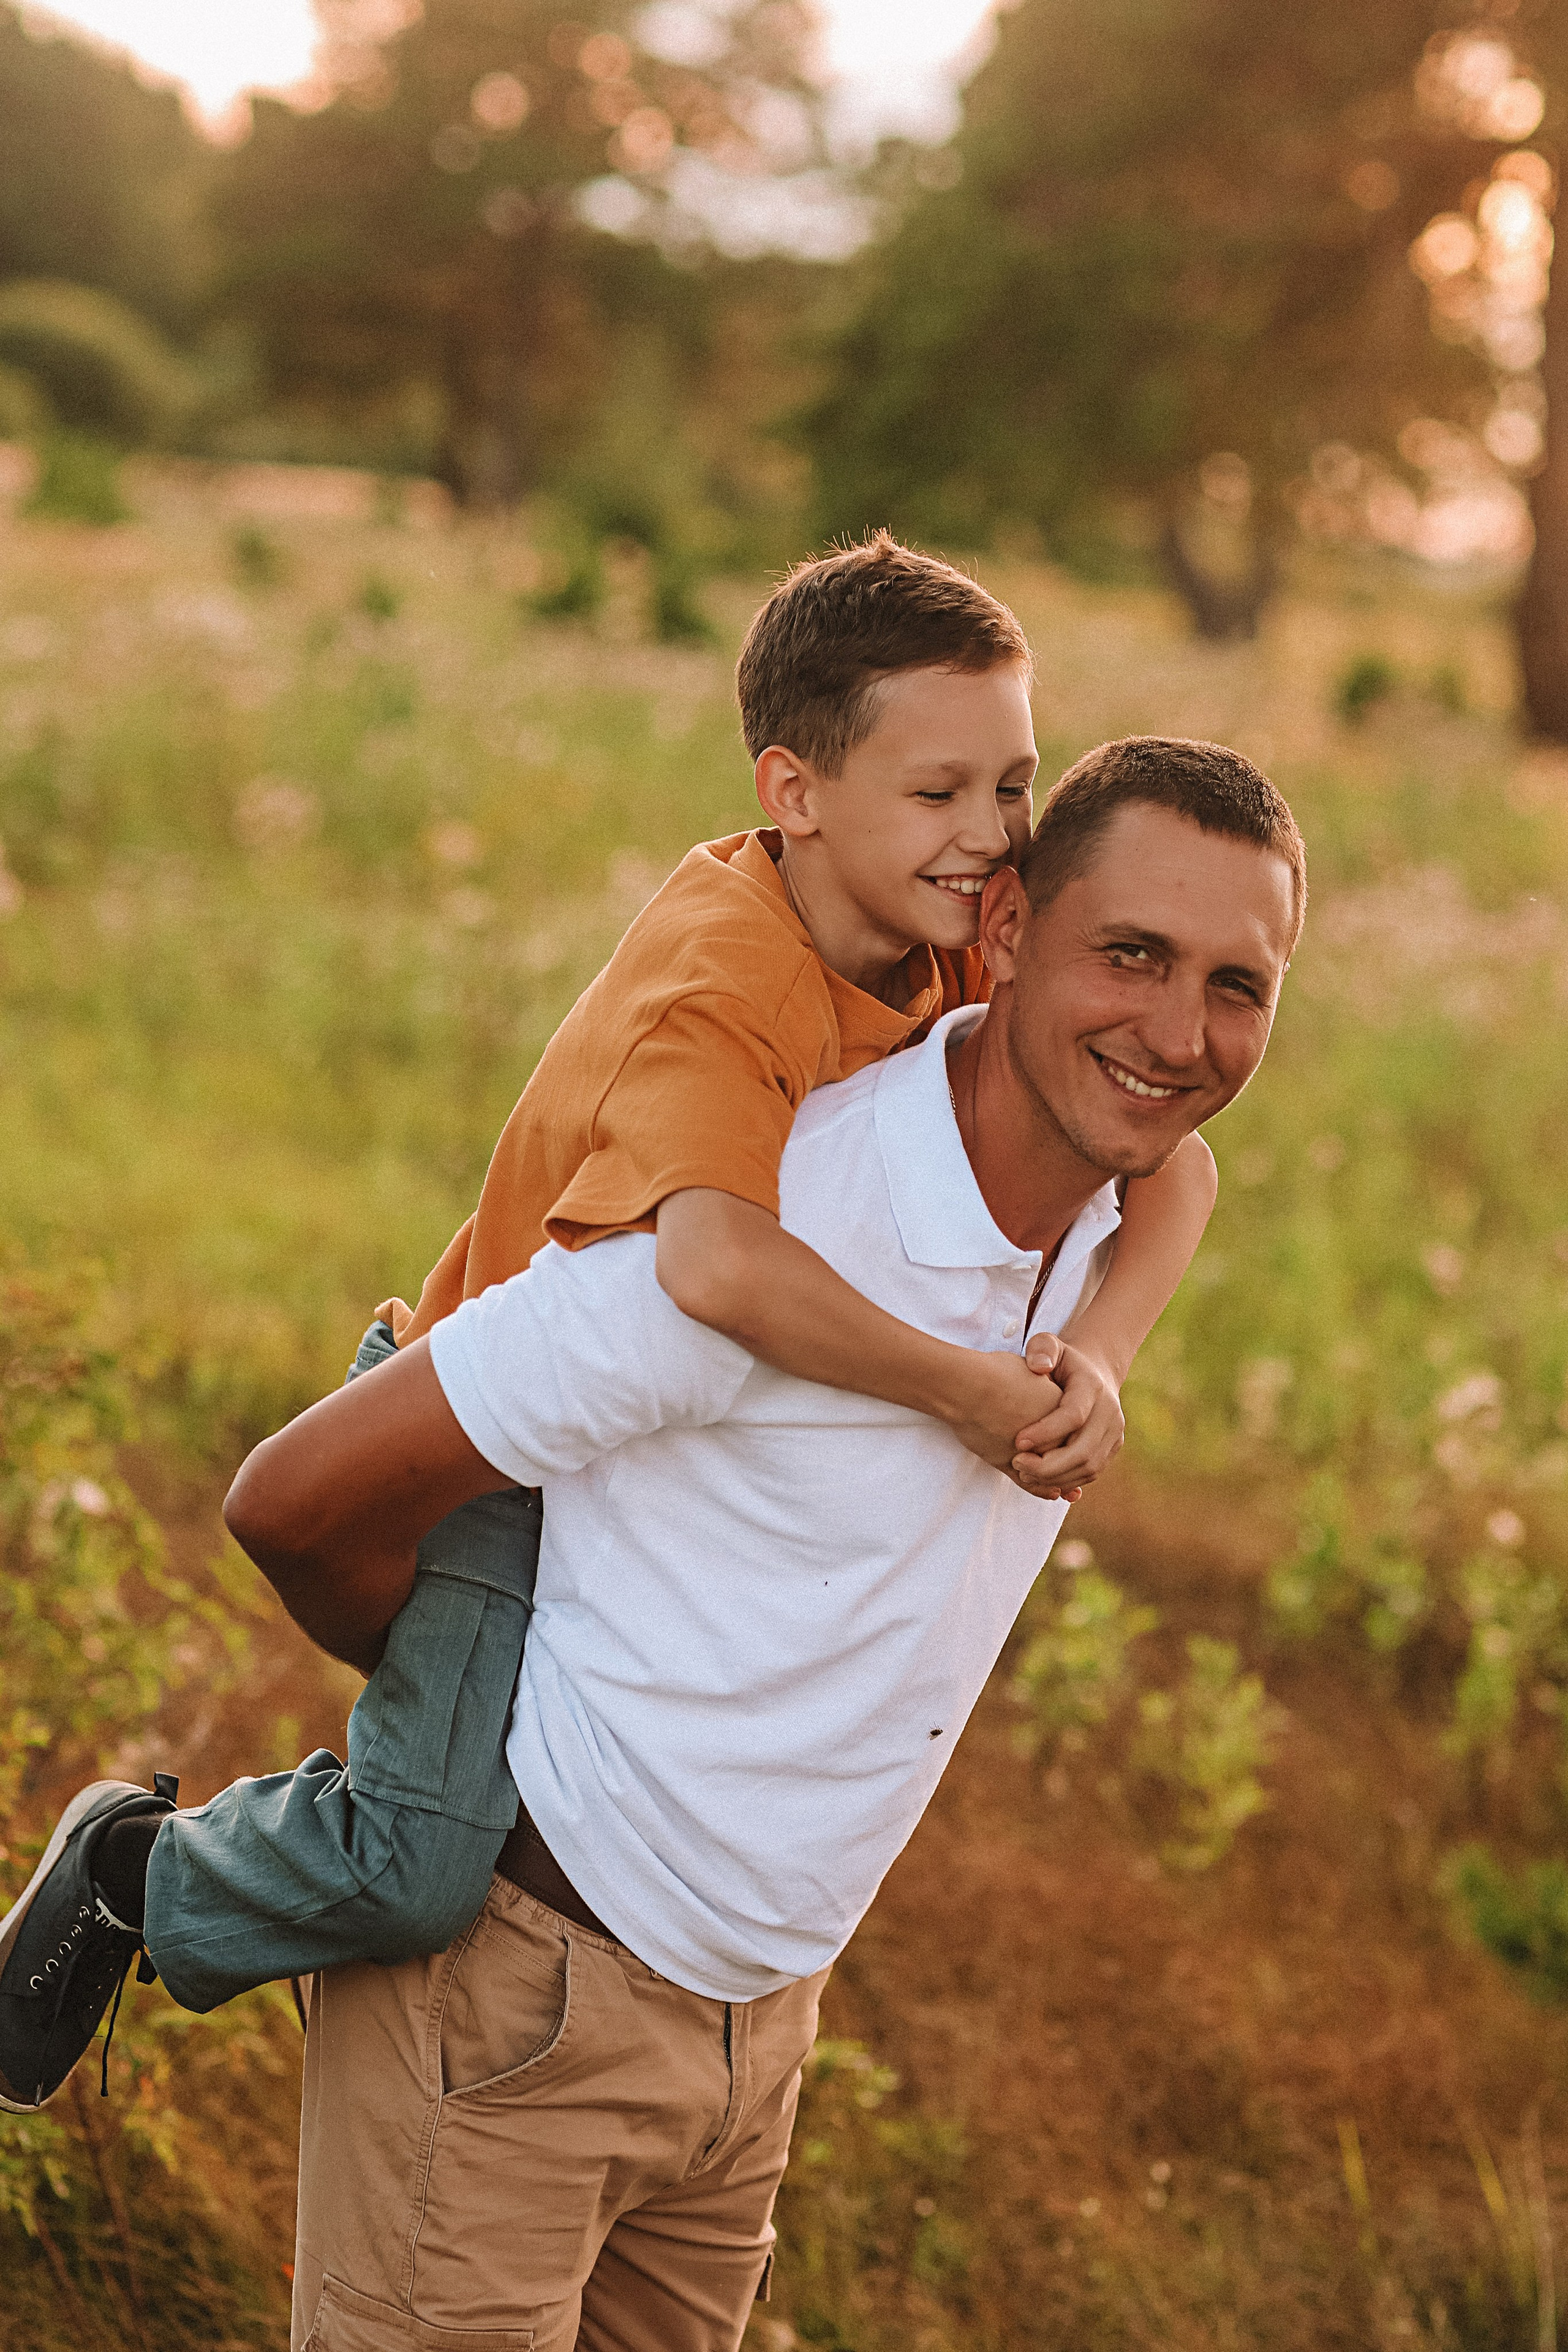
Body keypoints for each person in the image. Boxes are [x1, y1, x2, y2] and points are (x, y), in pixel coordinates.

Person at [0, 542, 1216, 2116]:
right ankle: (134, 1877)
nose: (992, 839)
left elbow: (1171, 1160)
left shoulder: (929, 923)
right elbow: (713, 1268)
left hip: (633, 1440)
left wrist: (1101, 1354)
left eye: (1013, 786)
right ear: (794, 791)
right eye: (941, 796)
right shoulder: (724, 984)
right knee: (431, 1856)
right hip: (482, 1420)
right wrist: (964, 1394)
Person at [240, 737, 1303, 2350]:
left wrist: (1105, 1352)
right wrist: (473, 1731)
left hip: (757, 2037)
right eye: (1134, 954)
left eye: (1239, 984)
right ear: (1003, 932)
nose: (1179, 1033)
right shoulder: (751, 1235)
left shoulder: (1111, 1205)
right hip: (518, 2002)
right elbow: (298, 1503)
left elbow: (1188, 1172)